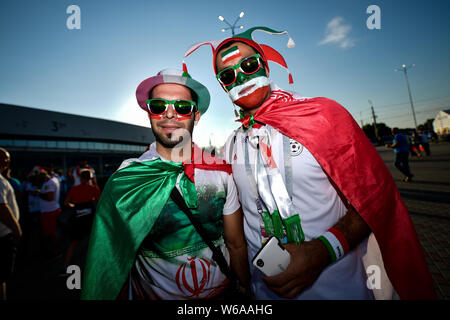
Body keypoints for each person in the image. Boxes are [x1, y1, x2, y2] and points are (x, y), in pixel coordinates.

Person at [184, 26, 436, 299]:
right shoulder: (231, 144)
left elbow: (375, 199)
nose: (240, 77)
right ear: (223, 85)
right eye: (229, 75)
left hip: (340, 291)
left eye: (248, 65)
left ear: (265, 66)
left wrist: (323, 250)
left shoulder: (323, 115)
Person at [82, 69, 250, 300]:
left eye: (182, 107)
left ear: (196, 116)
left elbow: (236, 243)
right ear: (149, 113)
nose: (169, 115)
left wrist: (245, 287)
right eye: (159, 106)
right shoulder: (128, 177)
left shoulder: (220, 172)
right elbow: (110, 255)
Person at [62, 169, 101, 269]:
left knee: (73, 242)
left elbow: (66, 203)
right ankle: (94, 265)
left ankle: (66, 265)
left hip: (77, 219)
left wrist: (76, 206)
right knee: (92, 242)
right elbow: (100, 203)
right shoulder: (94, 188)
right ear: (90, 178)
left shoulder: (74, 189)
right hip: (89, 219)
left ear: (80, 178)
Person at [0, 148, 21, 300]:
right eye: (2, 158)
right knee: (2, 276)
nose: (6, 161)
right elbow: (1, 207)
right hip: (3, 236)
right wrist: (16, 229)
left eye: (7, 158)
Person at [33, 168, 62, 258]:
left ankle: (56, 252)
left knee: (52, 233)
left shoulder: (50, 182)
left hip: (50, 211)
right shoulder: (50, 181)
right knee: (51, 232)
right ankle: (54, 251)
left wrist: (38, 193)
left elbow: (49, 197)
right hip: (49, 210)